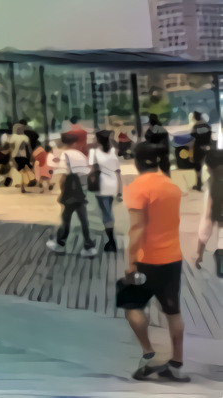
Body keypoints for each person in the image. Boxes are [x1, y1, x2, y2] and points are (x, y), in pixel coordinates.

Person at [122, 142, 188, 382]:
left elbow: (137, 228)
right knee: (173, 312)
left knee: (132, 308)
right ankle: (177, 364)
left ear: (136, 162)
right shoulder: (171, 186)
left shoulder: (137, 187)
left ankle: (149, 353)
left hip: (146, 261)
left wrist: (130, 263)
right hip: (172, 259)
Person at [46, 131, 97, 257]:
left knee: (66, 218)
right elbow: (87, 171)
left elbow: (61, 173)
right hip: (80, 191)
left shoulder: (63, 155)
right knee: (83, 219)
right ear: (74, 142)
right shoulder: (80, 155)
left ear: (63, 142)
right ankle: (89, 246)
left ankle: (60, 244)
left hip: (69, 193)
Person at [89, 128, 122, 252]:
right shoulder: (113, 151)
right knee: (108, 210)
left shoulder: (95, 152)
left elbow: (92, 170)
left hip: (101, 185)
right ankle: (111, 239)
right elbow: (117, 172)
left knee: (106, 213)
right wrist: (120, 191)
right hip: (112, 184)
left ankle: (111, 241)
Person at [195, 147, 223, 273]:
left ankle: (199, 256)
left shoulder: (211, 182)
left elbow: (208, 206)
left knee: (204, 232)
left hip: (212, 213)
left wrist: (207, 217)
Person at [8, 123, 35, 194]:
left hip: (21, 156)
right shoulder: (21, 137)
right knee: (24, 171)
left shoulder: (21, 137)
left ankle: (23, 186)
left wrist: (31, 155)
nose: (21, 130)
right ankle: (23, 186)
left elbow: (28, 148)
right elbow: (11, 147)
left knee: (23, 171)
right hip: (19, 156)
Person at [189, 111, 212, 193]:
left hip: (198, 148)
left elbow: (192, 137)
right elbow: (210, 135)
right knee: (211, 166)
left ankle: (199, 185)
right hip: (207, 148)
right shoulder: (207, 125)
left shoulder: (195, 126)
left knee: (198, 167)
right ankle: (213, 182)